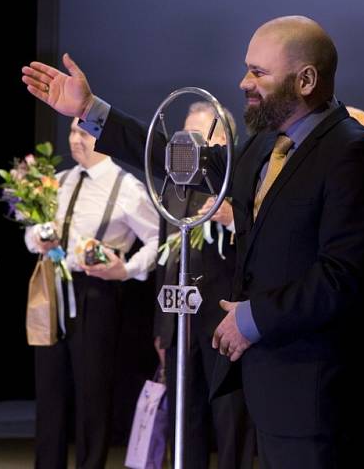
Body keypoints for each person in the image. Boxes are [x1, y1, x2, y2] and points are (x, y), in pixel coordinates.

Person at [21, 15, 364, 468]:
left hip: (325, 392)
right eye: (247, 68)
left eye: (259, 73)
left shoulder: (358, 153)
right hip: (275, 388)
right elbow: (172, 157)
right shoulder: (263, 147)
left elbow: (342, 279)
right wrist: (91, 111)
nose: (243, 82)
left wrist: (252, 318)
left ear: (306, 79)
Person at [24, 118, 159, 469]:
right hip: (52, 289)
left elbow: (161, 240)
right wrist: (36, 238)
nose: (74, 139)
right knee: (49, 391)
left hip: (95, 293)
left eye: (83, 132)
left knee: (91, 394)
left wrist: (126, 269)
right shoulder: (62, 181)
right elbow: (33, 231)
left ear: (103, 138)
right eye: (71, 131)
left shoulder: (126, 187)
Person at [155, 102, 255, 469]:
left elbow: (263, 249)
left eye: (196, 137)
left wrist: (232, 219)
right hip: (182, 321)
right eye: (183, 136)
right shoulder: (173, 186)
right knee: (186, 416)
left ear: (222, 141)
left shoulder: (242, 183)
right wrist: (162, 329)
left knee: (231, 420)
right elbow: (165, 261)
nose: (187, 144)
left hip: (225, 317)